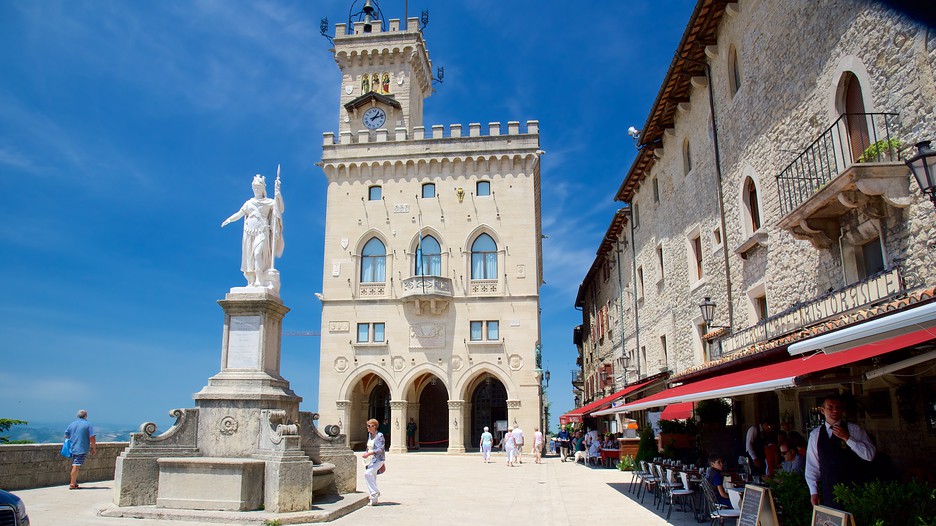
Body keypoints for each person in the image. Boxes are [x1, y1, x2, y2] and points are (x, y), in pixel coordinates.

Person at [805, 394, 876, 508]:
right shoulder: (815, 435)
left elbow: (870, 455)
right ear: (823, 410)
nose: (835, 410)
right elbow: (812, 466)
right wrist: (813, 491)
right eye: (831, 407)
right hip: (829, 492)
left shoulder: (854, 430)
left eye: (838, 407)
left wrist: (848, 438)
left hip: (855, 490)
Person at [221, 174, 285, 289]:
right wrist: (229, 219)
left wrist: (278, 195)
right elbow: (239, 214)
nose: (256, 189)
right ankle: (252, 281)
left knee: (257, 254)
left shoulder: (269, 202)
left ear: (263, 189)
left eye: (258, 187)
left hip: (262, 232)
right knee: (249, 257)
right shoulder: (249, 203)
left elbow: (279, 209)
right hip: (249, 232)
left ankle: (259, 280)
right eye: (254, 187)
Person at [64, 409, 97, 490]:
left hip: (73, 447)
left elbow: (66, 435)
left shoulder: (72, 424)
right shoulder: (88, 424)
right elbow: (92, 437)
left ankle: (73, 483)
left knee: (76, 464)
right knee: (76, 465)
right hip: (81, 448)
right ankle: (72, 484)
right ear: (85, 416)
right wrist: (94, 448)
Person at [362, 418, 385, 505]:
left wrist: (369, 453)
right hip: (370, 459)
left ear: (374, 426)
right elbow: (369, 447)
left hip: (378, 459)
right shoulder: (370, 435)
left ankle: (374, 492)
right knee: (373, 476)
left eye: (369, 426)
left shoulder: (380, 436)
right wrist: (366, 452)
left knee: (367, 473)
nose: (367, 428)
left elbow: (380, 449)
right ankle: (374, 500)